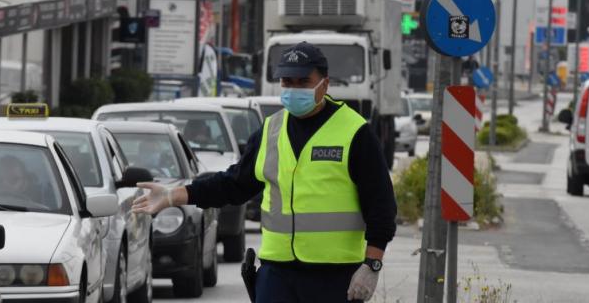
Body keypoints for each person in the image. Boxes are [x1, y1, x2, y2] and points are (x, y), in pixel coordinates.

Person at [133, 42, 397, 302]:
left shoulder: (354, 132)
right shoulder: (271, 130)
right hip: (277, 273)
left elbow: (382, 206)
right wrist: (173, 196)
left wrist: (371, 265)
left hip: (334, 276)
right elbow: (234, 184)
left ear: (324, 85)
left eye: (303, 82)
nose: (294, 90)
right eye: (287, 82)